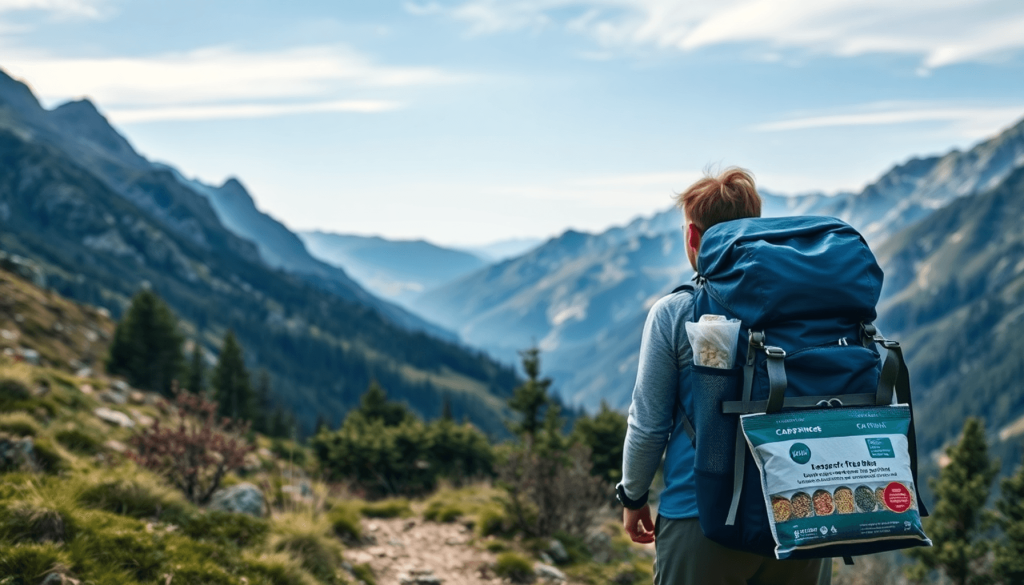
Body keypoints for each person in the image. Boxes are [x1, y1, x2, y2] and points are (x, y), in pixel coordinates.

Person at [615, 168, 831, 585]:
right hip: (803, 510)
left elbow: (648, 424)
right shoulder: (813, 308)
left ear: (693, 237)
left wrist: (633, 494)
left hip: (701, 517)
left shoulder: (677, 312)